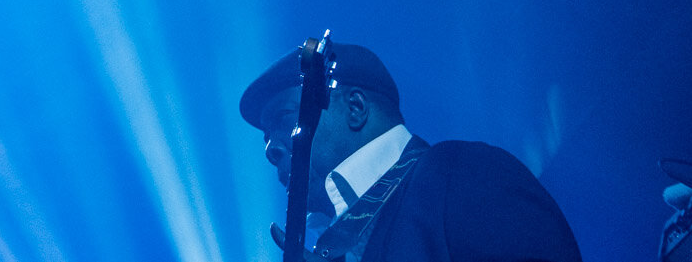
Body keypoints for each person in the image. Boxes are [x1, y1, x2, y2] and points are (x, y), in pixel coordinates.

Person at [239, 40, 581, 262]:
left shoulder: (461, 174)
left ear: (356, 108)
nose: (270, 149)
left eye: (283, 118)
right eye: (264, 138)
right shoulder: (338, 245)